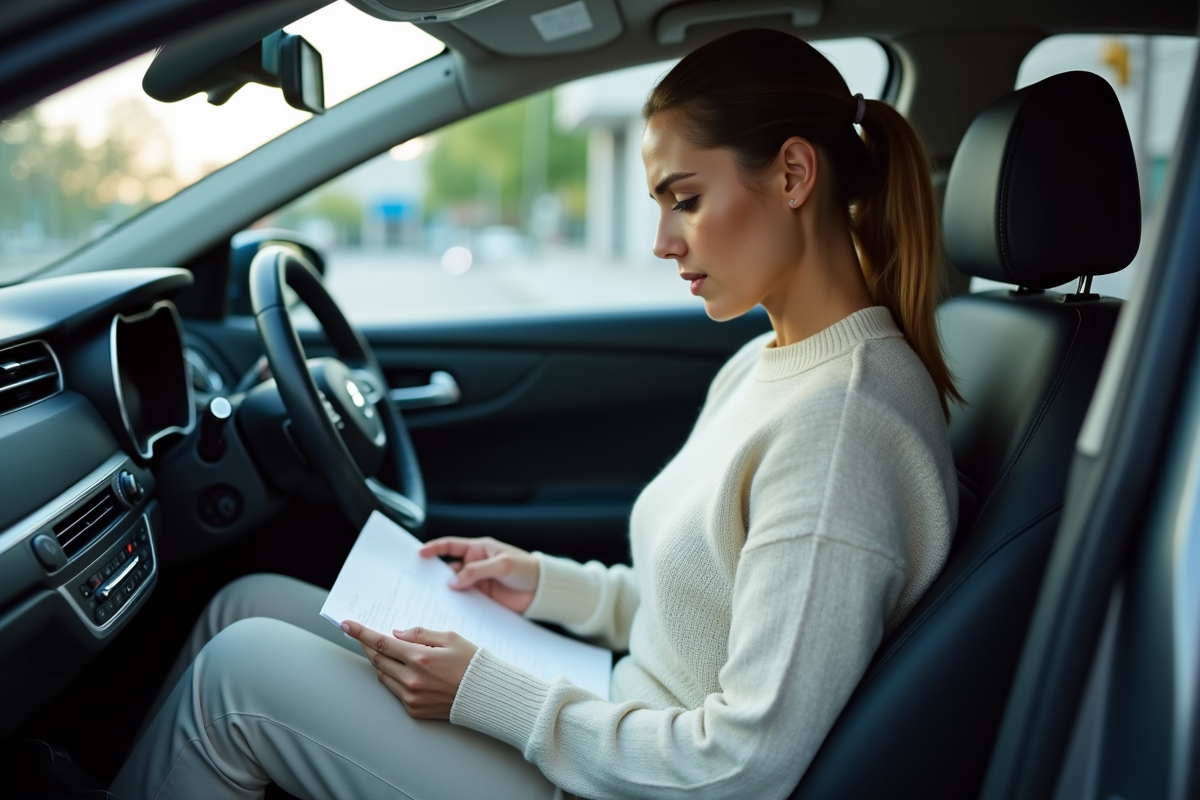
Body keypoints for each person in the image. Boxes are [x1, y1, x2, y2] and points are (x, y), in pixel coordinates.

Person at [112, 27, 960, 800]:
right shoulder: (769, 363)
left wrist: (486, 692)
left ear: (794, 175)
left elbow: (744, 767)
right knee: (247, 605)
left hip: (627, 779)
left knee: (237, 678)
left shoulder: (843, 426)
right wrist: (541, 583)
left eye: (686, 199)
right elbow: (702, 613)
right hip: (613, 714)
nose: (662, 240)